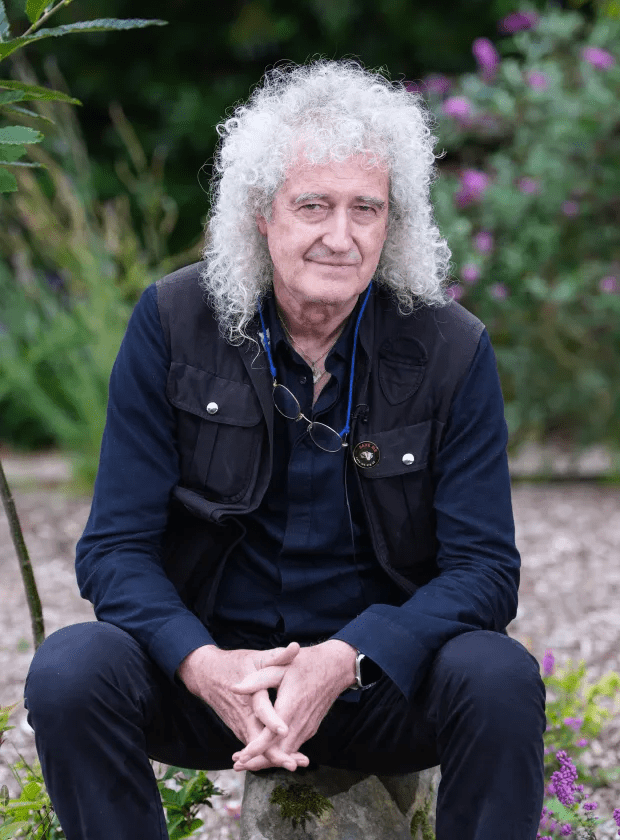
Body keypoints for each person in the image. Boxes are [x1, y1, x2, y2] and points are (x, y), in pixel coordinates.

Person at [24, 60, 546, 839]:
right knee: (71, 670)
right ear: (261, 214)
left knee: (499, 677)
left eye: (365, 209)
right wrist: (203, 664)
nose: (341, 236)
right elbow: (113, 551)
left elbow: (485, 572)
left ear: (391, 223)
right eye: (314, 205)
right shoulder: (172, 320)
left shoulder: (450, 347)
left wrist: (345, 658)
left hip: (375, 686)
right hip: (214, 686)